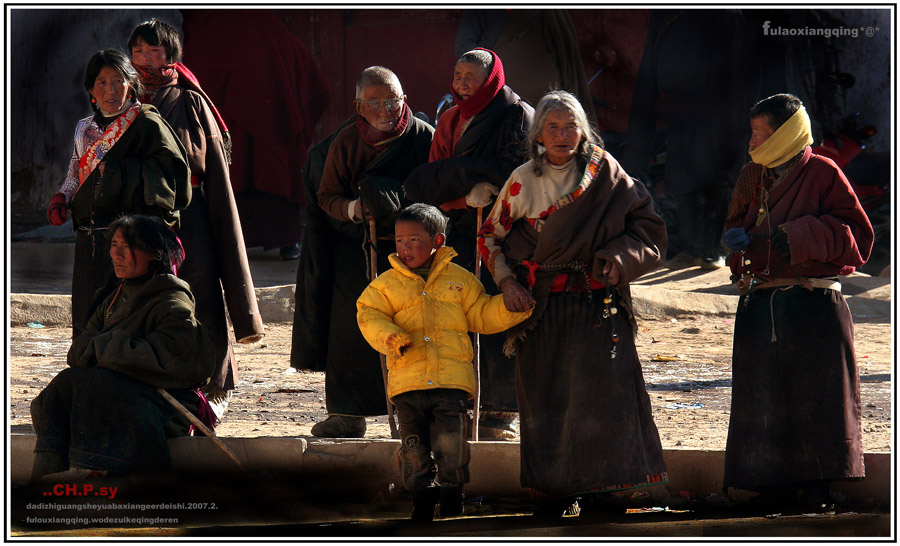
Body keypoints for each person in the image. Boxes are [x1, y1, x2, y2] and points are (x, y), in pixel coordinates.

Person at [477, 91, 669, 517]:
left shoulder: (606, 174)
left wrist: (618, 260)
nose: (563, 135)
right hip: (542, 309)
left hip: (597, 301)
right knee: (548, 400)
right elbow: (488, 238)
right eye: (553, 127)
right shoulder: (522, 181)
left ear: (583, 132)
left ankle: (609, 491)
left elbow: (648, 228)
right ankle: (554, 491)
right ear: (539, 135)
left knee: (604, 398)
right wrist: (507, 283)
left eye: (571, 126)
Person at [721, 93, 873, 510]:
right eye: (751, 133)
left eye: (760, 133)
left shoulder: (823, 172)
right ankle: (769, 487)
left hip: (812, 307)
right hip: (761, 305)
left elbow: (859, 239)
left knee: (816, 400)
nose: (752, 143)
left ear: (785, 134)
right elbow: (736, 228)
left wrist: (798, 236)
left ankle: (816, 489)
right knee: (763, 398)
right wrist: (734, 246)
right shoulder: (752, 177)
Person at [356, 204, 532, 521]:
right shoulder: (385, 285)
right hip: (407, 385)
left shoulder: (460, 280)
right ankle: (421, 503)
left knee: (451, 446)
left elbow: (482, 315)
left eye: (413, 240)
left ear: (438, 241)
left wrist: (513, 307)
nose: (404, 248)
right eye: (399, 240)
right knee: (413, 449)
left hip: (451, 385)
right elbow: (369, 316)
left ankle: (453, 496)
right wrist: (391, 337)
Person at [128, 19, 265, 403]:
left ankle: (213, 380)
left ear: (171, 55)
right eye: (137, 51)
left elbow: (208, 161)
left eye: (153, 51)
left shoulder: (188, 99)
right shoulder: (125, 98)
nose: (144, 59)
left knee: (200, 289)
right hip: (140, 216)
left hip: (191, 214)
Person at [294, 66, 434, 438]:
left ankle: (413, 416)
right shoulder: (347, 141)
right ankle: (347, 413)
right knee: (352, 329)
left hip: (414, 250)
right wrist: (354, 209)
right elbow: (327, 197)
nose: (387, 110)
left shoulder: (423, 137)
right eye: (376, 103)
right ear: (359, 105)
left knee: (413, 331)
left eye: (394, 101)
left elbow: (439, 187)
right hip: (359, 247)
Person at [404, 48, 533, 439]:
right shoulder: (449, 118)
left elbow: (515, 174)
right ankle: (464, 406)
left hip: (502, 232)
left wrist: (462, 180)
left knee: (495, 318)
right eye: (457, 75)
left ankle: (499, 413)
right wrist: (464, 192)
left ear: (491, 80)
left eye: (470, 77)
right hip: (460, 226)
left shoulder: (515, 116)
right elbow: (428, 180)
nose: (461, 83)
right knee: (459, 319)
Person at [30, 214, 215, 482]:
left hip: (162, 401)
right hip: (112, 390)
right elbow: (78, 352)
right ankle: (47, 480)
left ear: (151, 254)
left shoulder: (171, 301)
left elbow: (172, 362)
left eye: (127, 247)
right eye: (114, 245)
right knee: (61, 389)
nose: (117, 254)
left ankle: (125, 483)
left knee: (102, 388)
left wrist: (106, 348)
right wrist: (112, 353)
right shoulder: (111, 298)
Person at [45, 49, 190, 339]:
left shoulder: (147, 124)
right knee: (88, 316)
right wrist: (63, 196)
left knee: (126, 320)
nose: (111, 90)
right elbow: (76, 171)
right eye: (102, 82)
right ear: (91, 90)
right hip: (91, 239)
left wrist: (116, 173)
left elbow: (169, 176)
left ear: (131, 84)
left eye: (119, 81)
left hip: (130, 242)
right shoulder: (84, 129)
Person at [622, 9, 753, 270]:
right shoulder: (666, 14)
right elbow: (649, 75)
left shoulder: (728, 15)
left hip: (723, 115)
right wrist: (635, 158)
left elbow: (742, 77)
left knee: (719, 174)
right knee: (684, 176)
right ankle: (693, 249)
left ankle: (714, 249)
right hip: (681, 113)